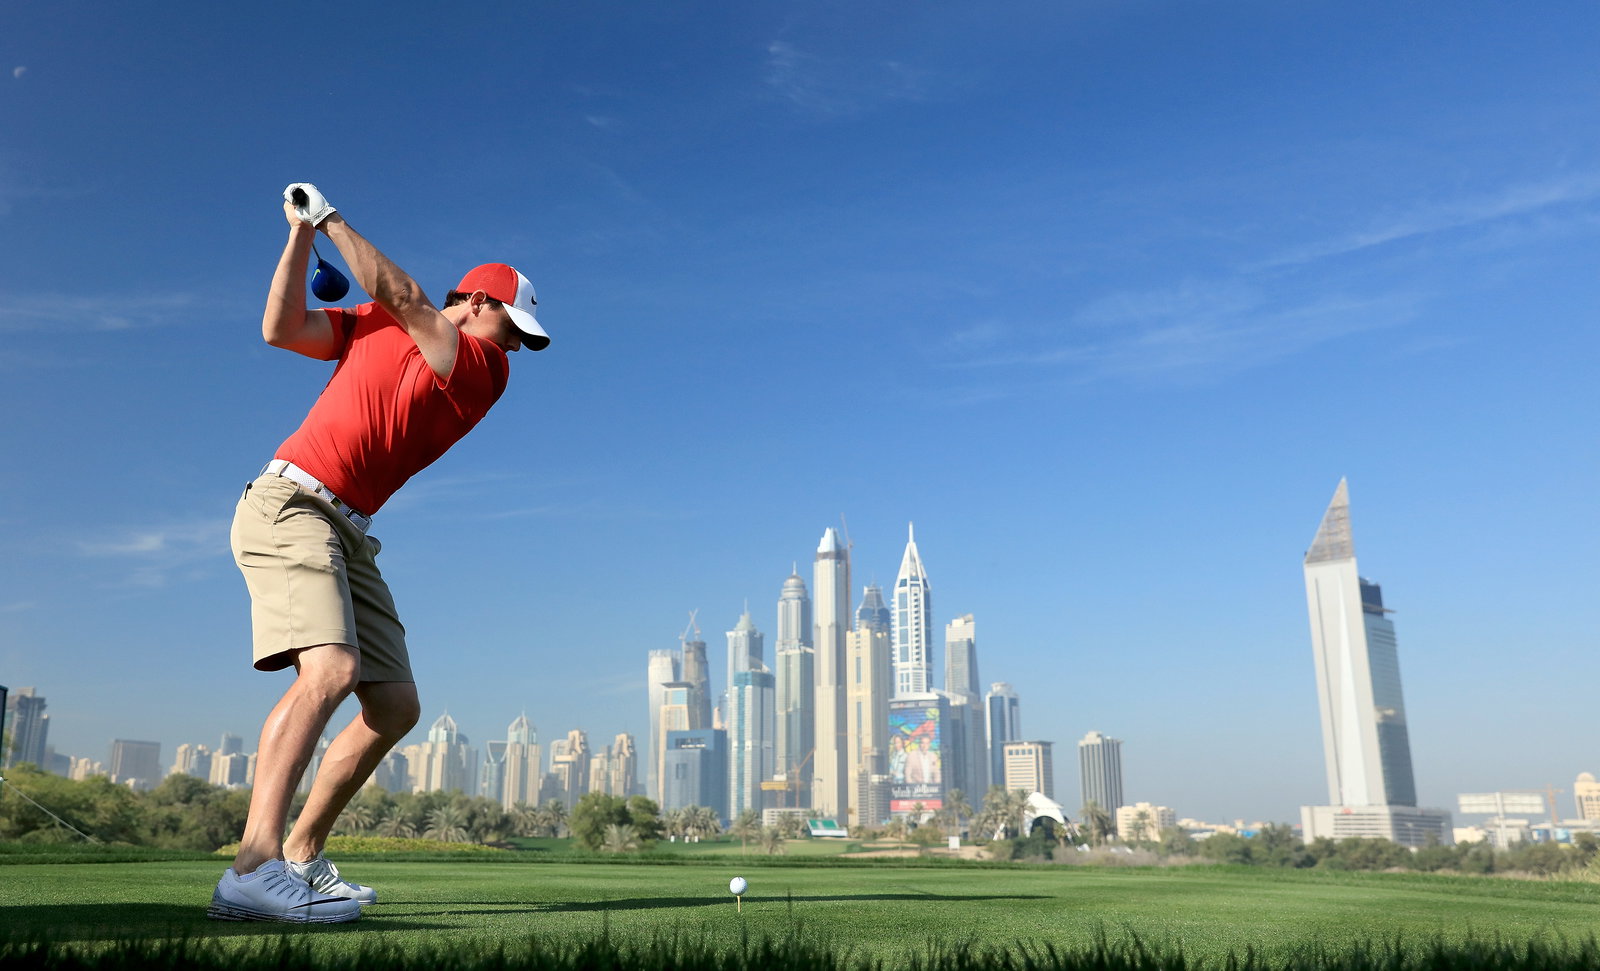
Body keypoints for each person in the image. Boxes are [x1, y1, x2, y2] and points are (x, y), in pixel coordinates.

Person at [207, 183, 550, 923]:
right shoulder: (374, 324)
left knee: (394, 705)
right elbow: (281, 326)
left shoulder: (480, 370)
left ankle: (300, 855)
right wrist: (301, 236)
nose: (518, 344)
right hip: (289, 504)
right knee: (330, 670)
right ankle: (253, 866)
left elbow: (406, 295)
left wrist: (329, 218)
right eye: (514, 326)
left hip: (348, 530)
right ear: (480, 300)